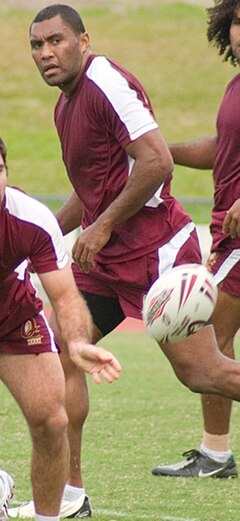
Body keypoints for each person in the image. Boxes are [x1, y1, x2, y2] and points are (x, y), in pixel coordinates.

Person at [11, 4, 240, 517]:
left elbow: (156, 159)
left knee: (203, 372)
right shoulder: (65, 105)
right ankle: (69, 496)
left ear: (84, 41)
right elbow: (89, 189)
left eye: (56, 41)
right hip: (109, 262)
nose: (45, 53)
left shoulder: (104, 80)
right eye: (36, 45)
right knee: (62, 349)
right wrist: (44, 236)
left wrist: (104, 224)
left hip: (156, 253)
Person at [0, 136, 121, 521]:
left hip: (12, 320)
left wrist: (77, 342)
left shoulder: (30, 219)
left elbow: (66, 297)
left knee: (52, 420)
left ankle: (48, 518)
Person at [151, 0, 240, 479]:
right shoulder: (235, 88)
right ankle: (216, 453)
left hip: (238, 240)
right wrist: (163, 151)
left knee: (209, 349)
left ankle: (216, 454)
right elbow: (221, 149)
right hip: (228, 237)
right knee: (216, 347)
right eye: (238, 21)